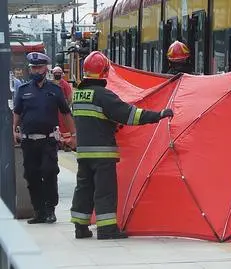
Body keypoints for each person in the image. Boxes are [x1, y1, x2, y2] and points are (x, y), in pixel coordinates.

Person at [70, 51, 174, 240]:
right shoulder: (104, 96)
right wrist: (158, 115)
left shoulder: (78, 95)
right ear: (104, 72)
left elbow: (93, 120)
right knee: (104, 192)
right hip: (102, 155)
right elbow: (131, 115)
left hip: (83, 154)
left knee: (83, 190)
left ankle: (80, 227)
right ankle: (107, 230)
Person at [13, 52, 77, 224]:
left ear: (46, 69)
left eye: (39, 67)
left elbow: (66, 113)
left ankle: (50, 209)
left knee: (49, 173)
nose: (36, 70)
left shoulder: (55, 90)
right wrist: (13, 131)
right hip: (28, 141)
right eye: (33, 67)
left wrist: (74, 135)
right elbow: (17, 113)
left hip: (48, 141)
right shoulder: (23, 90)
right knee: (31, 175)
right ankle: (39, 211)